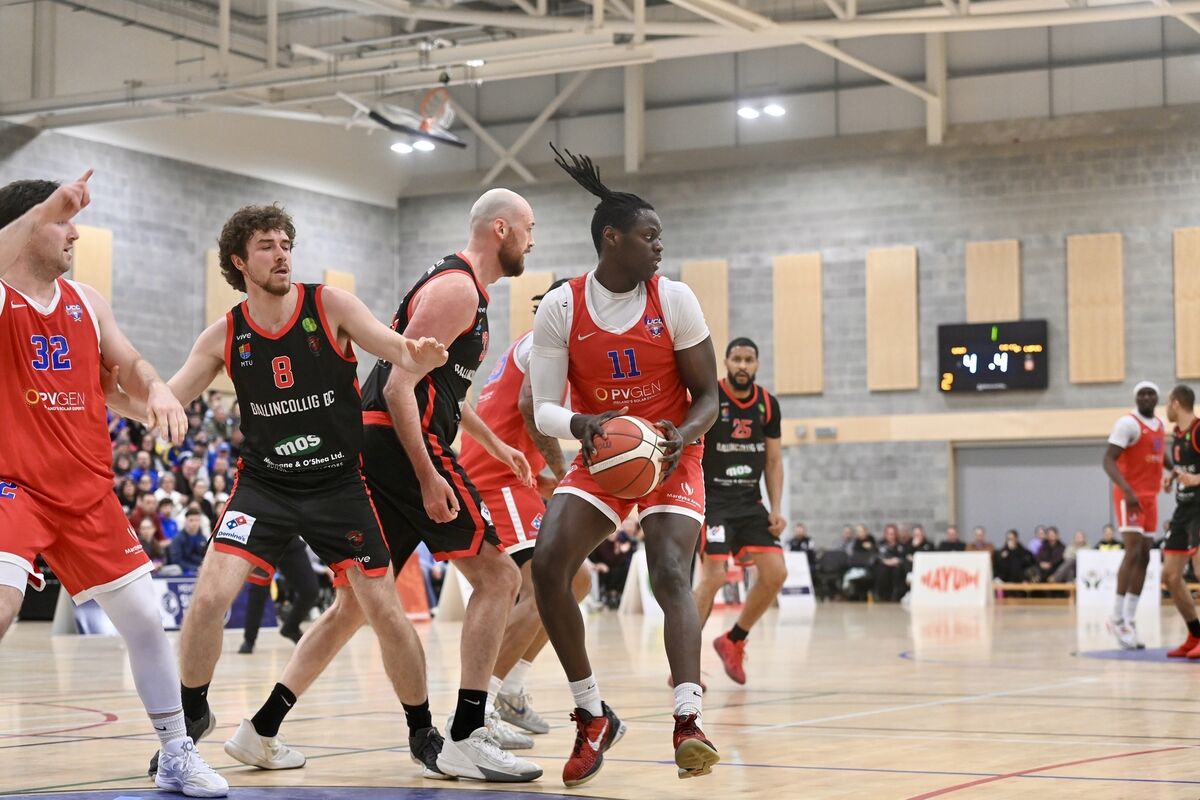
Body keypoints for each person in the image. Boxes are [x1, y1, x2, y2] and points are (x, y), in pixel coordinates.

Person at [123, 204, 449, 779]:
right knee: (206, 600)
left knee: (383, 611)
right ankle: (193, 715)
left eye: (286, 244)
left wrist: (414, 356)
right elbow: (168, 401)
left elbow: (393, 346)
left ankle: (423, 731)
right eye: (268, 246)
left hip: (337, 485)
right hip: (265, 486)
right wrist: (114, 397)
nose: (282, 254)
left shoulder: (330, 306)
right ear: (239, 262)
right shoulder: (226, 334)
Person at [230, 190, 543, 782]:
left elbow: (439, 385)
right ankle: (469, 733)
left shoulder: (458, 287)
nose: (534, 238)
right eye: (529, 227)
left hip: (386, 444)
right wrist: (427, 475)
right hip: (402, 444)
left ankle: (260, 729)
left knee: (353, 605)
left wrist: (495, 443)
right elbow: (401, 388)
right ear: (500, 229)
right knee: (500, 576)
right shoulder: (457, 290)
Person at [0, 172, 227, 796]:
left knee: (148, 623)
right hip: (12, 486)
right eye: (61, 220)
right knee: (2, 606)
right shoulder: (1, 295)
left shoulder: (87, 301)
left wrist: (154, 388)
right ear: (27, 227)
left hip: (86, 492)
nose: (74, 231)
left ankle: (177, 754)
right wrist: (47, 204)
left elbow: (126, 363)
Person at [530, 146, 720, 786]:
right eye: (649, 235)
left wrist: (679, 434)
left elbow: (709, 397)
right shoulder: (560, 306)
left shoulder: (677, 298)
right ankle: (591, 714)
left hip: (671, 448)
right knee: (550, 564)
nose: (659, 245)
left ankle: (687, 720)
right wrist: (581, 425)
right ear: (612, 239)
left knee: (670, 570)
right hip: (604, 451)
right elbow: (544, 410)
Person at [457, 279, 593, 743]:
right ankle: (483, 707)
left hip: (519, 478)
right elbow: (529, 404)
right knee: (543, 585)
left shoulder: (552, 351)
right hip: (497, 477)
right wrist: (564, 470)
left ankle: (511, 690)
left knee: (579, 581)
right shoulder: (541, 344)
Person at [692, 337, 786, 685]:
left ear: (757, 365)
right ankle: (684, 662)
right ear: (726, 363)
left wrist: (776, 508)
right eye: (736, 359)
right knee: (714, 576)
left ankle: (733, 640)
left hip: (750, 502)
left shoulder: (767, 405)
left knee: (776, 574)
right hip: (713, 501)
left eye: (749, 360)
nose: (742, 366)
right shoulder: (711, 398)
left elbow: (774, 461)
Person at [1103, 381, 1169, 649]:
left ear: (1156, 398)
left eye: (1150, 393)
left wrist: (1173, 471)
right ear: (1136, 398)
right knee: (1132, 553)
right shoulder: (1127, 424)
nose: (1146, 397)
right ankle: (1116, 617)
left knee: (1144, 556)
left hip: (1150, 497)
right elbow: (1108, 459)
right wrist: (1127, 491)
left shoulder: (1160, 425)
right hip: (1129, 496)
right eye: (1141, 393)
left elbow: (1160, 455)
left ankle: (1129, 618)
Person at [1160, 386, 1200, 659]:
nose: (1166, 409)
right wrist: (1172, 477)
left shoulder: (1198, 430)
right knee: (1171, 576)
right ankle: (1195, 633)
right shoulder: (1177, 435)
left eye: (1167, 403)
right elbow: (1187, 467)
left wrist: (1198, 480)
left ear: (1176, 403)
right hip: (1183, 509)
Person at [238, 536, 319, 653]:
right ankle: (249, 640)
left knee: (310, 591)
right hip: (263, 544)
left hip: (290, 540)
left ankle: (291, 627)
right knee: (258, 593)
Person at [167, 506, 209, 575]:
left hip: (200, 571)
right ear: (186, 521)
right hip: (182, 572)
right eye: (191, 520)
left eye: (197, 520)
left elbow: (204, 557)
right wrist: (195, 568)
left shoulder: (202, 538)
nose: (194, 523)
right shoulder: (177, 538)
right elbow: (176, 560)